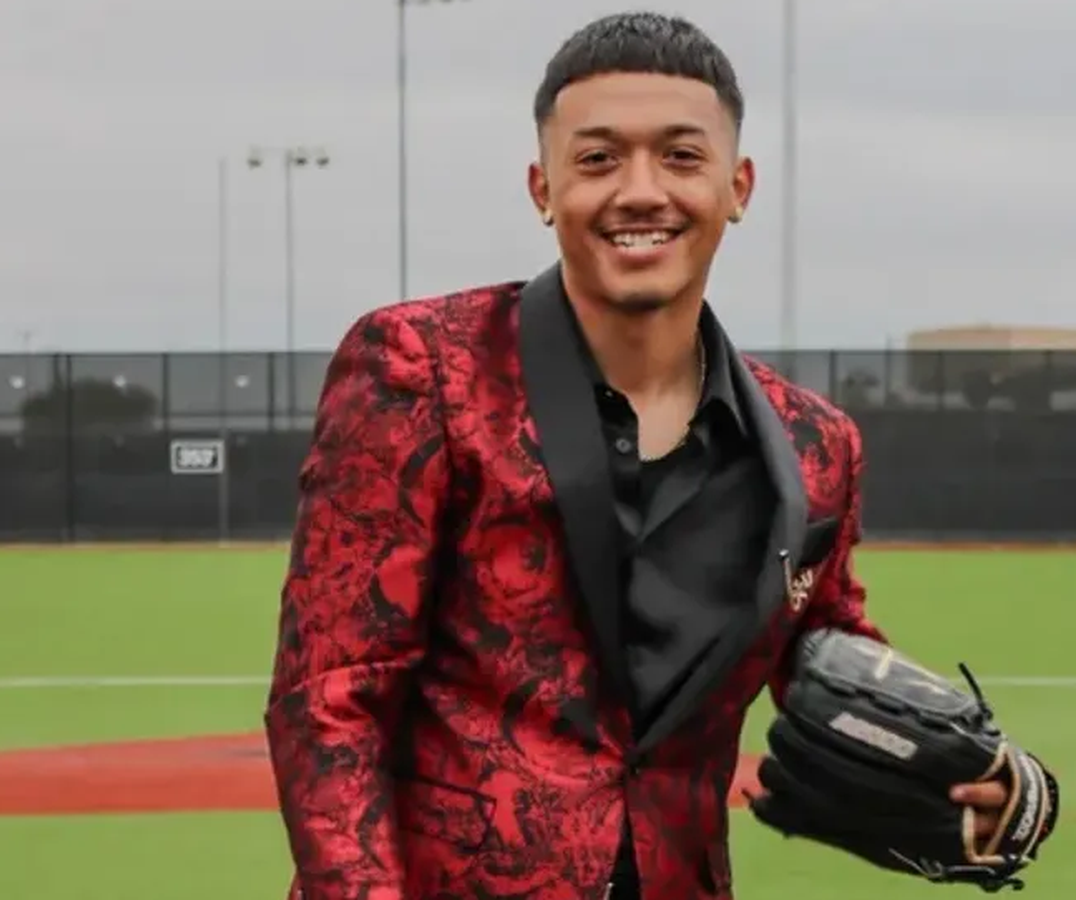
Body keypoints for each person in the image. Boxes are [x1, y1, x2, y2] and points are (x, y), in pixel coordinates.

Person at [264, 12, 1016, 899]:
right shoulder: (422, 369)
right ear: (543, 188)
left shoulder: (814, 445)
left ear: (738, 186)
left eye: (681, 156)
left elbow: (827, 655)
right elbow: (332, 697)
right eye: (598, 159)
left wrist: (988, 785)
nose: (640, 191)